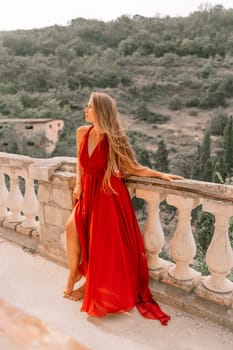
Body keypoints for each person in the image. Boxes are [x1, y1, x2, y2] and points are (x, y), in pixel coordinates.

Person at [64, 92, 183, 326]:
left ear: (99, 111)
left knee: (99, 243)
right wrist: (78, 185)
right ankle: (73, 273)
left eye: (89, 107)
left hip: (108, 196)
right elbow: (80, 162)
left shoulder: (113, 138)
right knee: (71, 228)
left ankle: (90, 284)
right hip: (89, 192)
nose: (85, 110)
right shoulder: (82, 132)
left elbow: (132, 167)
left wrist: (159, 174)